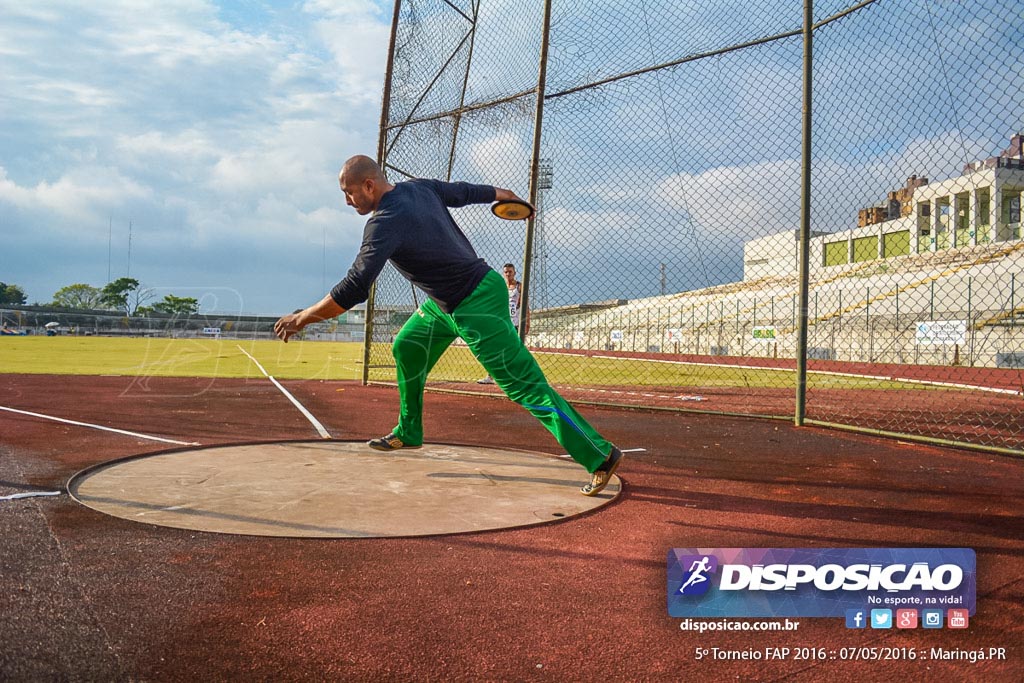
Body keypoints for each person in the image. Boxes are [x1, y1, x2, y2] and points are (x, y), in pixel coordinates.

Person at [274, 155, 622, 496]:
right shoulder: (420, 188)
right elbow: (462, 192)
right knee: (407, 346)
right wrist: (502, 193)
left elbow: (354, 287)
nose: (347, 201)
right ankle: (409, 430)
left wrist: (302, 317)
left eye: (349, 193)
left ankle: (599, 455)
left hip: (477, 303)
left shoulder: (385, 222)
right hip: (445, 305)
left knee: (524, 386)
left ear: (369, 184)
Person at [477, 263, 524, 385]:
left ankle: (516, 376)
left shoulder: (519, 287)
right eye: (506, 272)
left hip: (514, 323)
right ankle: (490, 376)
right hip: (501, 322)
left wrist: (526, 322)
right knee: (494, 349)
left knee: (514, 351)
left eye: (510, 272)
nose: (508, 274)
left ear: (514, 273)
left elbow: (525, 305)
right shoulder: (500, 286)